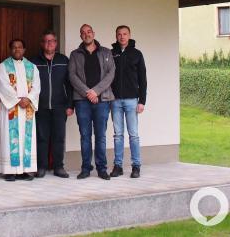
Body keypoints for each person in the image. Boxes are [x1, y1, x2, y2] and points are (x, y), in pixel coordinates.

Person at [68, 24, 115, 180]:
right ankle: (86, 168)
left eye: (89, 32)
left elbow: (111, 74)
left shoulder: (106, 52)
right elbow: (72, 76)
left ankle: (102, 168)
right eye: (83, 33)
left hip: (102, 101)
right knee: (85, 135)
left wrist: (96, 91)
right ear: (81, 36)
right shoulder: (75, 54)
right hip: (82, 101)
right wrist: (88, 93)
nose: (86, 34)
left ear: (93, 34)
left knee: (100, 135)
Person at [0, 39, 41, 181]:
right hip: (12, 109)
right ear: (10, 49)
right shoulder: (3, 67)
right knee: (10, 137)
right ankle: (10, 171)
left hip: (27, 108)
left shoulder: (32, 67)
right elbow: (3, 86)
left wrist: (28, 99)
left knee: (26, 138)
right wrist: (18, 100)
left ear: (24, 49)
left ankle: (26, 170)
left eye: (20, 47)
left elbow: (37, 86)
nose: (17, 49)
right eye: (14, 47)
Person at [31, 29, 73, 178]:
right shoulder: (34, 62)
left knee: (59, 137)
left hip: (60, 106)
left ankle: (58, 167)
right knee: (41, 137)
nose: (49, 43)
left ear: (56, 43)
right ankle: (41, 166)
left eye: (52, 41)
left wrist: (70, 105)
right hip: (40, 106)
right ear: (42, 43)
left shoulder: (64, 60)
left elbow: (70, 84)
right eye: (46, 41)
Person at [110, 25, 147, 178]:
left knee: (133, 135)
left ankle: (136, 166)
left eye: (125, 34)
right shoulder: (112, 54)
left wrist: (142, 101)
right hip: (115, 100)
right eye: (119, 34)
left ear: (129, 35)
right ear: (116, 36)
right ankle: (118, 166)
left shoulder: (137, 54)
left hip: (132, 100)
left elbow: (143, 79)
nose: (122, 37)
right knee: (118, 135)